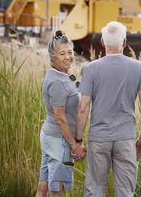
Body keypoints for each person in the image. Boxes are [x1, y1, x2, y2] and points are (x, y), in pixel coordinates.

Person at [75, 21, 141, 197]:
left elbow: (83, 108)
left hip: (98, 138)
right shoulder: (138, 67)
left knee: (94, 191)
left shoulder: (91, 69)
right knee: (125, 192)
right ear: (124, 43)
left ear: (102, 42)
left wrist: (78, 141)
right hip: (126, 138)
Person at [36, 30, 86, 197]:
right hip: (59, 140)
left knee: (45, 183)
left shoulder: (61, 75)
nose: (68, 57)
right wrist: (74, 145)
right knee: (56, 188)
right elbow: (60, 117)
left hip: (52, 137)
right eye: (62, 53)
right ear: (52, 58)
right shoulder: (57, 81)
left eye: (70, 52)